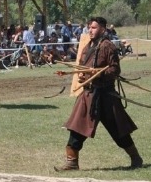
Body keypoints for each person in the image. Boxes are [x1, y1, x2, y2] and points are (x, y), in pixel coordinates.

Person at [57, 16, 142, 171]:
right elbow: (81, 68)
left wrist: (99, 74)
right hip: (88, 95)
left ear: (102, 29)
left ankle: (136, 158)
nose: (90, 30)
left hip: (106, 96)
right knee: (77, 129)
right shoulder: (87, 46)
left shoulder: (107, 46)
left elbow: (115, 70)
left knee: (118, 131)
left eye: (94, 27)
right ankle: (71, 162)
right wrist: (83, 75)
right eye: (89, 27)